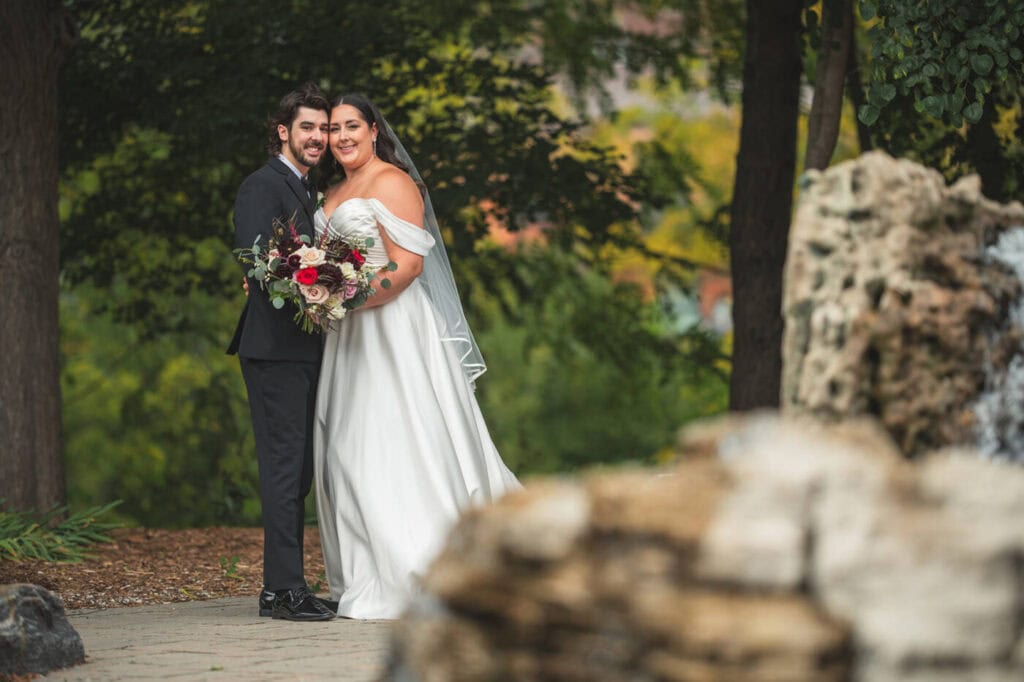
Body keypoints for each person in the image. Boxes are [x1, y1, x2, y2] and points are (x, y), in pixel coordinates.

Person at [313, 93, 521, 619]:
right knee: (343, 448)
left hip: (392, 330)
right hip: (348, 338)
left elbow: (406, 267)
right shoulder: (335, 189)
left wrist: (347, 298)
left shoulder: (393, 182)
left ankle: (421, 565)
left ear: (374, 129)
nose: (342, 137)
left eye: (352, 126)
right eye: (334, 128)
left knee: (398, 440)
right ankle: (369, 568)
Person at [227, 83, 336, 622]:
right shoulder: (261, 185)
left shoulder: (305, 189)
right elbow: (256, 259)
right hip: (274, 348)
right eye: (308, 128)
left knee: (299, 471)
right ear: (283, 132)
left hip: (304, 347)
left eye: (323, 128)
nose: (317, 137)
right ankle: (282, 592)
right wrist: (311, 287)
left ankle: (287, 585)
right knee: (283, 467)